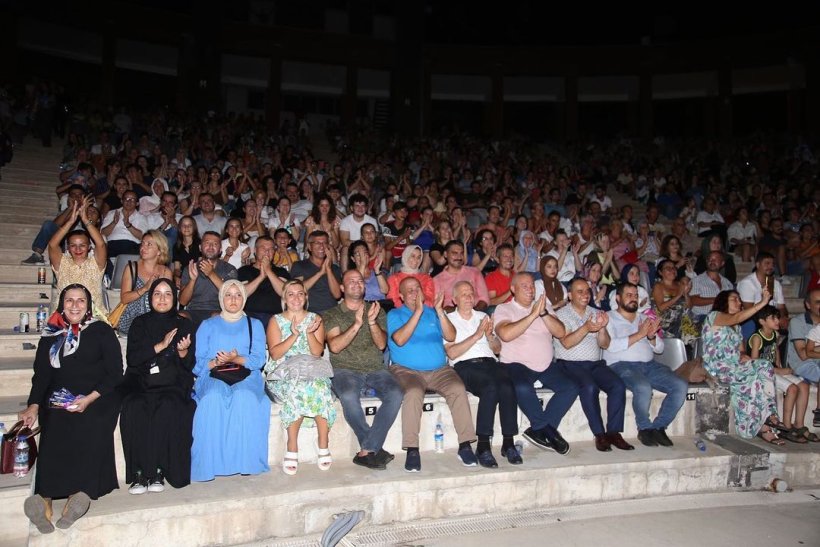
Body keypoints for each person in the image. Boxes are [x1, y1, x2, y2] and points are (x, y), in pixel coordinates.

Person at [19, 284, 123, 534]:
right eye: (69, 300)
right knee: (54, 420)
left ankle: (77, 497)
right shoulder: (50, 335)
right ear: (61, 304)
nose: (75, 305)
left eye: (80, 301)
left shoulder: (101, 331)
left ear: (89, 306)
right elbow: (42, 376)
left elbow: (115, 374)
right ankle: (43, 501)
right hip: (59, 397)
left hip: (98, 395)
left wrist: (88, 399)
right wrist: (33, 406)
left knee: (89, 421)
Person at [387, 277, 478, 472]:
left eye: (416, 289)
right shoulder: (395, 314)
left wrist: (439, 311)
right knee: (413, 392)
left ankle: (465, 445)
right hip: (406, 370)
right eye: (409, 290)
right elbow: (400, 340)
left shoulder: (432, 313)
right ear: (401, 296)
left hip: (439, 370)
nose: (414, 293)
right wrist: (418, 311)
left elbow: (451, 336)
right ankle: (412, 448)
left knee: (458, 388)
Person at [120, 279, 196, 494]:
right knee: (134, 406)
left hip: (173, 383)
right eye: (157, 294)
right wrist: (160, 346)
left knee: (168, 406)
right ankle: (139, 473)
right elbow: (133, 359)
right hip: (142, 381)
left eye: (167, 294)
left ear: (174, 298)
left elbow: (190, 365)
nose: (162, 299)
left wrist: (182, 352)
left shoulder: (185, 325)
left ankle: (160, 469)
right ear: (150, 297)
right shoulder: (139, 323)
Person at [191, 280, 270, 481]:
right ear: (221, 298)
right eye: (228, 294)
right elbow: (198, 363)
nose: (233, 299)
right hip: (213, 374)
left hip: (246, 374)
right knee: (213, 398)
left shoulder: (255, 324)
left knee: (244, 397)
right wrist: (216, 361)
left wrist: (235, 359)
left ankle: (245, 462)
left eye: (237, 295)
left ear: (244, 298)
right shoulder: (207, 325)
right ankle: (209, 464)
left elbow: (259, 359)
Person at [324, 270, 402, 470]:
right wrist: (358, 324)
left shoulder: (376, 310)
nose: (357, 284)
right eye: (351, 281)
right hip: (345, 369)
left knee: (395, 393)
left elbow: (382, 344)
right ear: (342, 288)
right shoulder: (332, 314)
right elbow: (334, 346)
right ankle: (373, 447)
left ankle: (367, 450)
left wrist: (372, 322)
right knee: (349, 395)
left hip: (375, 368)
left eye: (360, 281)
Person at [494, 273, 576, 454]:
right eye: (524, 286)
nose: (530, 289)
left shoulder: (544, 306)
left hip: (546, 364)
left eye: (531, 285)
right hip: (516, 363)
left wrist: (544, 313)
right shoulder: (504, 309)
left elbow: (561, 332)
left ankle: (540, 429)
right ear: (513, 289)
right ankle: (547, 431)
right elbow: (506, 334)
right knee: (522, 387)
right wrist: (532, 316)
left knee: (570, 387)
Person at [446, 281, 521, 467]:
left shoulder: (483, 316)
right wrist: (477, 335)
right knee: (491, 387)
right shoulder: (448, 321)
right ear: (454, 300)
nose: (469, 297)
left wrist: (489, 336)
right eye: (464, 294)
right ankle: (483, 445)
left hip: (489, 362)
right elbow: (452, 353)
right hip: (465, 366)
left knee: (507, 385)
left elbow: (497, 349)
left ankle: (508, 442)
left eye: (471, 293)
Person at [605, 282, 688, 447]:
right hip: (621, 365)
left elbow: (660, 349)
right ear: (618, 298)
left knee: (680, 385)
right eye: (628, 295)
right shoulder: (608, 317)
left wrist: (651, 337)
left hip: (649, 365)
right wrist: (640, 334)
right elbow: (610, 346)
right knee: (643, 387)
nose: (633, 298)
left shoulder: (645, 318)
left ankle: (659, 427)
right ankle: (644, 428)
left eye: (635, 295)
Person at [554, 278, 633, 452]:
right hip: (570, 364)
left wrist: (602, 328)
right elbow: (566, 343)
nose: (585, 295)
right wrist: (587, 328)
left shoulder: (596, 312)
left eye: (587, 291)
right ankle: (600, 434)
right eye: (580, 291)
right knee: (589, 387)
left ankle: (614, 432)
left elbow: (604, 344)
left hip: (595, 364)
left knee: (618, 385)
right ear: (570, 295)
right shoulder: (560, 314)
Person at [701, 289, 788, 444]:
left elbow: (741, 349)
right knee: (754, 378)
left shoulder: (737, 327)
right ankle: (763, 425)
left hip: (735, 366)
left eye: (740, 300)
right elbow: (736, 317)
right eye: (735, 299)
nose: (739, 302)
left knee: (764, 367)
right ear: (723, 301)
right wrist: (762, 303)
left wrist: (742, 354)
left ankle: (768, 418)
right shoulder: (714, 316)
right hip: (718, 367)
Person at [266, 280, 335, 475]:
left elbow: (317, 352)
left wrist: (309, 332)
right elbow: (275, 354)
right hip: (284, 371)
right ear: (284, 298)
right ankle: (292, 445)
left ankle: (323, 442)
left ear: (306, 297)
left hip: (311, 368)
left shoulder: (315, 319)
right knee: (298, 387)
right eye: (291, 294)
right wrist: (294, 336)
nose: (296, 298)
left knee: (320, 386)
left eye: (300, 294)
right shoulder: (276, 320)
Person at [748, 305, 813, 443]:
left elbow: (775, 351)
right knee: (792, 388)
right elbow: (755, 364)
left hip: (775, 369)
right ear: (762, 321)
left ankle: (798, 424)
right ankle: (786, 427)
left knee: (803, 385)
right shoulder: (757, 338)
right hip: (763, 374)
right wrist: (778, 371)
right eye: (773, 318)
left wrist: (780, 367)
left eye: (777, 317)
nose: (777, 320)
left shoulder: (774, 334)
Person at [47, 195, 108, 318]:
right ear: (68, 248)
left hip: (94, 316)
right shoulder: (62, 262)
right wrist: (70, 221)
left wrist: (85, 220)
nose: (78, 249)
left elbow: (101, 244)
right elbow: (52, 245)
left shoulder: (96, 263)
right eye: (73, 245)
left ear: (89, 247)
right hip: (63, 316)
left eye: (82, 245)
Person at [179, 231, 238, 329]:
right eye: (207, 243)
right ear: (200, 248)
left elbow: (231, 294)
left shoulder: (229, 269)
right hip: (193, 311)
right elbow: (182, 302)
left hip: (219, 311)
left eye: (215, 244)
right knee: (181, 317)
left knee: (216, 317)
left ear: (220, 250)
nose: (211, 246)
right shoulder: (190, 268)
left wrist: (211, 274)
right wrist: (192, 280)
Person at [118, 230, 173, 334]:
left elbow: (168, 301)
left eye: (149, 244)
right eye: (142, 243)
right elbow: (124, 299)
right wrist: (145, 289)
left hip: (155, 318)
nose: (143, 247)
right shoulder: (132, 268)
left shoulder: (166, 272)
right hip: (132, 319)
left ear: (159, 251)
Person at [238, 236, 289, 329]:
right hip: (248, 316)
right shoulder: (244, 270)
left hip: (275, 317)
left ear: (274, 252)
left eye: (270, 249)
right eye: (263, 248)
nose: (267, 251)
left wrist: (269, 271)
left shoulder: (281, 271)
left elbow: (285, 293)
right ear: (255, 250)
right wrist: (261, 276)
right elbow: (240, 293)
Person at [787, 288, 820, 431]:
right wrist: (811, 350)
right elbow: (803, 354)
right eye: (818, 302)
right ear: (808, 305)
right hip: (802, 365)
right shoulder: (797, 322)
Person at [290, 230, 342, 313]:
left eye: (324, 243)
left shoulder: (334, 268)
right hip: (309, 311)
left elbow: (337, 295)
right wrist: (320, 273)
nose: (322, 246)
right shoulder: (299, 265)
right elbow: (297, 289)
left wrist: (328, 269)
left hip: (332, 312)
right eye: (317, 243)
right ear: (309, 247)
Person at [433, 240, 490, 311]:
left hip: (477, 312)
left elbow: (484, 299)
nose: (459, 257)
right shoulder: (437, 280)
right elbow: (439, 306)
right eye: (454, 253)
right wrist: (461, 313)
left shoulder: (474, 272)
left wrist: (473, 313)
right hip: (452, 317)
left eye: (461, 253)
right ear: (445, 254)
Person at [100, 190, 149, 258]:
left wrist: (128, 225)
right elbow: (103, 233)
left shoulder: (141, 217)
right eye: (126, 199)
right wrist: (113, 223)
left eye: (132, 199)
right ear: (121, 201)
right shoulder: (112, 213)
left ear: (137, 203)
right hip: (112, 245)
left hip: (131, 246)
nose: (129, 201)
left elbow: (143, 237)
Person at [689, 251, 734, 321]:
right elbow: (693, 300)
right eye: (710, 259)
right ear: (707, 262)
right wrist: (718, 300)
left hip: (722, 317)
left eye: (716, 259)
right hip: (702, 317)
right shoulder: (697, 280)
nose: (712, 261)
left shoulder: (727, 283)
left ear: (722, 263)